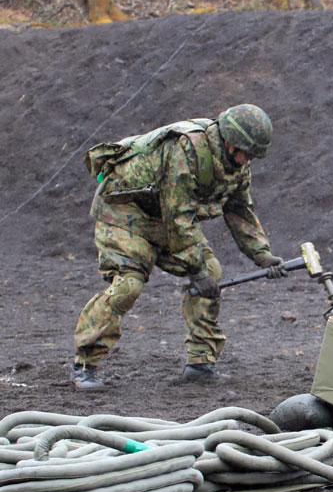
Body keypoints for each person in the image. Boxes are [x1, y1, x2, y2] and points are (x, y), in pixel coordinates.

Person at [71, 104, 288, 390]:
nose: (248, 160)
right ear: (229, 141)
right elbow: (178, 217)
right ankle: (85, 364)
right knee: (128, 287)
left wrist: (263, 255)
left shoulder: (236, 166)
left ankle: (200, 362)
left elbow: (239, 210)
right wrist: (196, 272)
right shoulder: (187, 151)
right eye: (245, 152)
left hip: (166, 219)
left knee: (212, 271)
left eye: (252, 155)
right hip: (125, 216)